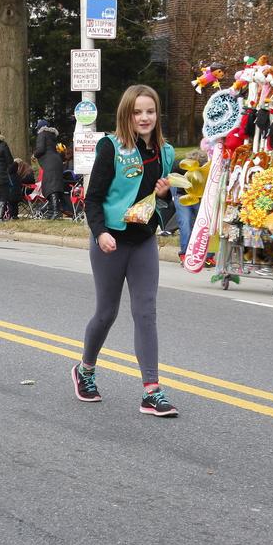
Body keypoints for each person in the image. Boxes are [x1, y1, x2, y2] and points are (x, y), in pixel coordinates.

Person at [73, 84, 177, 417]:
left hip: (143, 241)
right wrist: (100, 233)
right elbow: (92, 199)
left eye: (150, 111)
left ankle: (152, 391)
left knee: (146, 312)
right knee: (107, 313)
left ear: (157, 114)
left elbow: (166, 206)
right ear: (126, 114)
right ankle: (85, 371)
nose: (144, 117)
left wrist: (164, 195)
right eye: (138, 111)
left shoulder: (166, 152)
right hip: (111, 242)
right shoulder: (111, 147)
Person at [170, 148, 215, 268]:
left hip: (200, 197)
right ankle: (185, 254)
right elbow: (171, 179)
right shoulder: (179, 166)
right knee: (185, 223)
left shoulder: (206, 170)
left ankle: (208, 256)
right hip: (182, 196)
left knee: (205, 225)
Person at [34, 119, 64, 218]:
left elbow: (41, 149)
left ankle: (55, 212)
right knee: (54, 185)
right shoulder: (52, 136)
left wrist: (34, 155)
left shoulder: (42, 134)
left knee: (51, 187)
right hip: (57, 161)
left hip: (49, 163)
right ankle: (52, 211)